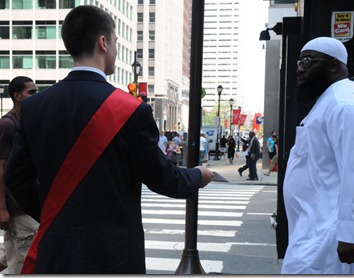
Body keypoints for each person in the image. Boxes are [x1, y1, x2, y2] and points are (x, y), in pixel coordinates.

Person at [4, 5, 213, 274]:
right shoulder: (132, 111)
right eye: (115, 41)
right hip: (114, 254)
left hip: (56, 249)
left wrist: (51, 212)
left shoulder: (35, 108)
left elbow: (15, 178)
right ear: (103, 43)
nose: (115, 48)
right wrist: (199, 175)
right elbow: (165, 179)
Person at [281, 37, 354, 274]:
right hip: (316, 227)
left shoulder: (347, 104)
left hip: (329, 235)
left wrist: (349, 234)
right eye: (299, 61)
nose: (301, 68)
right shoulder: (331, 101)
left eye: (309, 61)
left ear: (334, 65)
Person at [0, 76, 39, 274]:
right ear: (17, 96)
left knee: (11, 253)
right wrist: (2, 209)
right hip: (17, 207)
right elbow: (1, 168)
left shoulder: (26, 120)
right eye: (31, 92)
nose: (35, 95)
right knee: (24, 262)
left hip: (28, 203)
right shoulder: (7, 125)